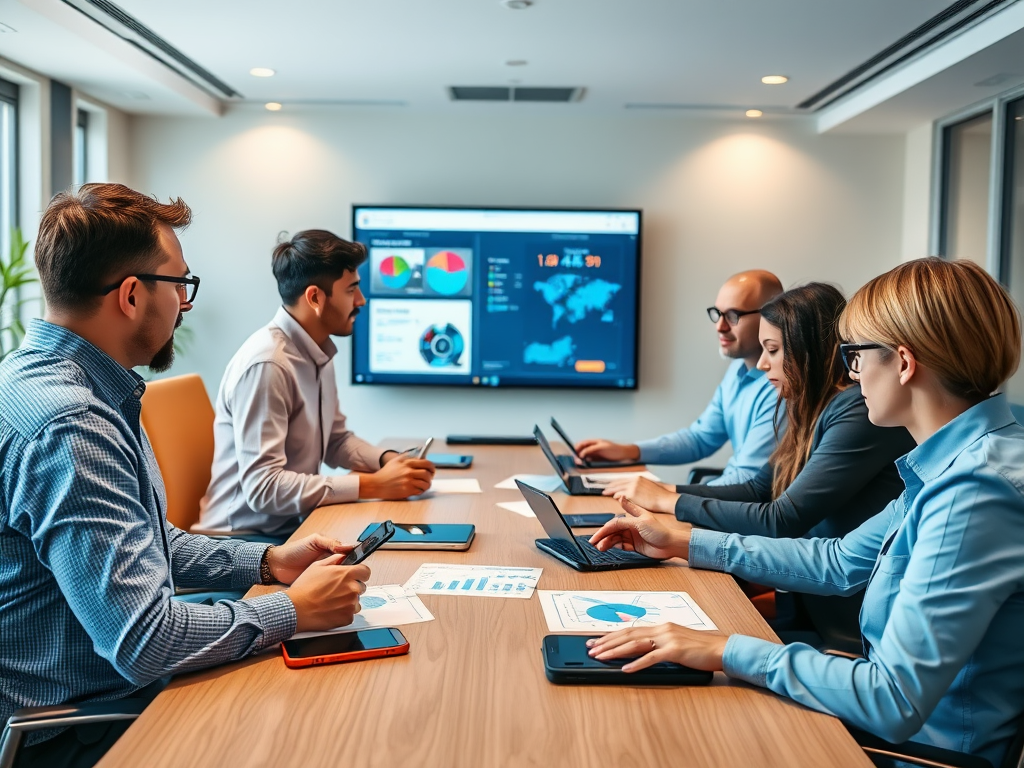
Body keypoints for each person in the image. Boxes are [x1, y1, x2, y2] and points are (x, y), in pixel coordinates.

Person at [587, 258, 1024, 766]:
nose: (851, 372)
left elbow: (893, 700)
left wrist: (725, 648)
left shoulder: (972, 492)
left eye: (856, 355)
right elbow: (838, 562)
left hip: (913, 753)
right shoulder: (960, 460)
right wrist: (683, 543)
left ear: (903, 363)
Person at [0, 184, 369, 768]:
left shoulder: (69, 385)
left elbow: (146, 540)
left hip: (104, 690)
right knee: (326, 732)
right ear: (129, 295)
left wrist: (267, 563)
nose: (186, 305)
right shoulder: (72, 425)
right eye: (181, 285)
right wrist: (293, 610)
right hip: (79, 729)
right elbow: (145, 641)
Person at [604, 283, 916, 650]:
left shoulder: (856, 413)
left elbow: (783, 519)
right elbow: (758, 489)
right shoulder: (807, 408)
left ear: (809, 352)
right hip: (806, 600)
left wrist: (673, 504)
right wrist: (666, 496)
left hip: (841, 624)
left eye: (772, 351)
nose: (764, 365)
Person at [197, 230, 435, 539]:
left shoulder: (316, 350)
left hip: (291, 528)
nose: (361, 301)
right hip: (242, 542)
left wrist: (387, 461)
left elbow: (335, 440)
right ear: (315, 298)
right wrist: (374, 484)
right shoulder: (268, 365)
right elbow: (263, 488)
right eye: (352, 290)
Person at [574, 270, 783, 485]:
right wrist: (629, 451)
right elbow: (700, 439)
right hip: (731, 502)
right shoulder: (736, 371)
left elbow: (748, 480)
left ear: (772, 316)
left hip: (750, 510)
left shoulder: (782, 387)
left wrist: (666, 496)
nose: (720, 326)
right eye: (717, 314)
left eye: (732, 316)